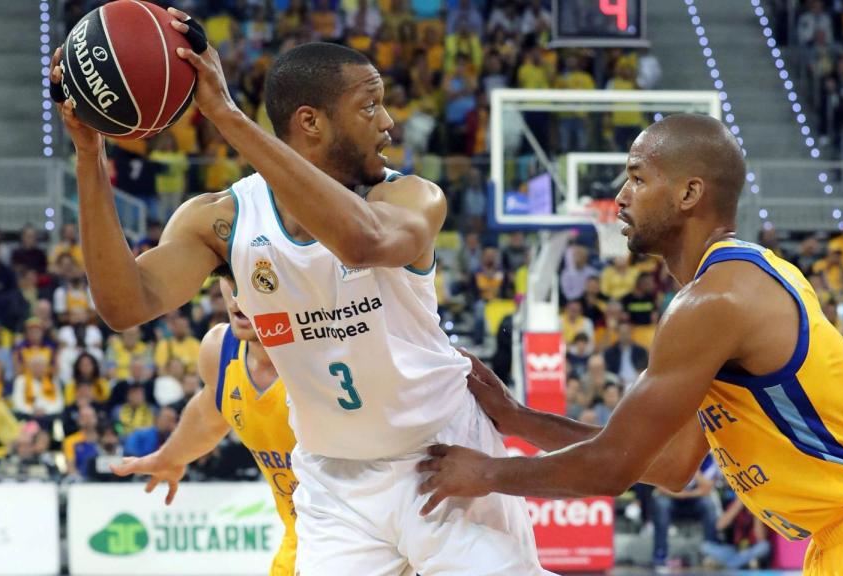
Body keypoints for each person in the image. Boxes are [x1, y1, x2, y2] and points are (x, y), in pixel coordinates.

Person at [52, 14, 542, 575]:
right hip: (337, 484)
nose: (387, 122)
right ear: (310, 121)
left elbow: (363, 242)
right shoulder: (222, 220)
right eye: (369, 105)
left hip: (446, 458)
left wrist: (225, 115)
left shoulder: (411, 196)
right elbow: (124, 305)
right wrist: (89, 155)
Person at [417, 114, 843, 574]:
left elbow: (611, 468)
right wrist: (518, 419)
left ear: (690, 192)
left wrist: (487, 473)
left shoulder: (715, 302)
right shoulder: (734, 286)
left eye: (638, 177)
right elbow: (665, 465)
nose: (620, 196)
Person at [112, 274, 300, 572]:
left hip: (369, 532)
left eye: (255, 276)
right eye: (230, 276)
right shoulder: (221, 350)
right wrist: (169, 457)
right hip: (303, 537)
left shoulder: (328, 348)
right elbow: (208, 417)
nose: (238, 294)